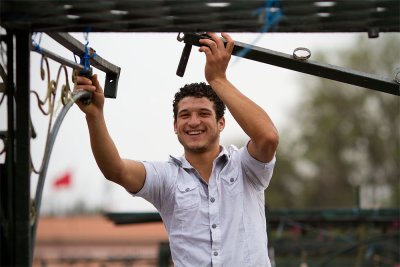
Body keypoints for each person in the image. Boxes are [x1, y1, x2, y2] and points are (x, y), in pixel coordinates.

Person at [75, 32, 279, 267]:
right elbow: (116, 170)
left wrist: (218, 79)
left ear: (221, 123)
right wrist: (95, 115)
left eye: (203, 113)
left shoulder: (245, 167)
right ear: (175, 126)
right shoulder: (167, 177)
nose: (193, 122)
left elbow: (268, 137)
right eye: (185, 115)